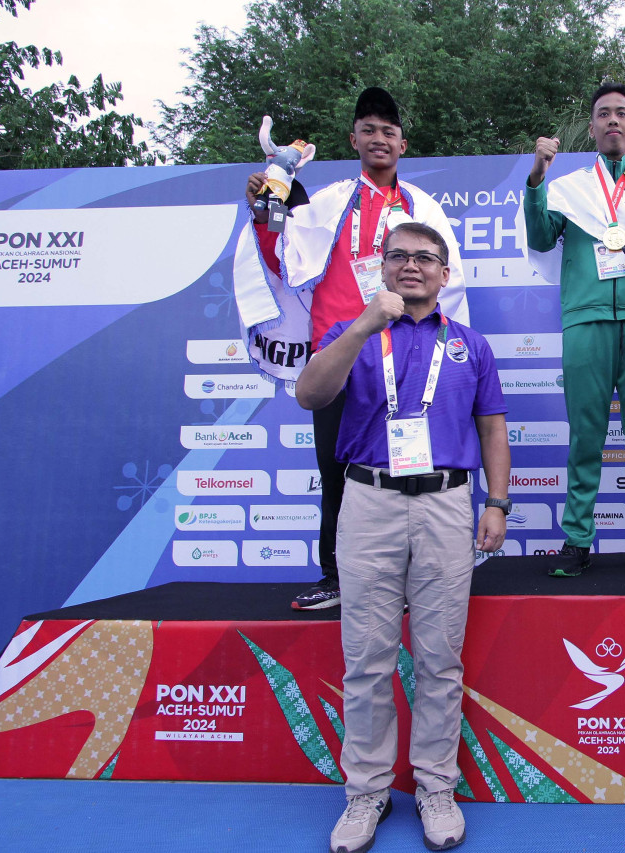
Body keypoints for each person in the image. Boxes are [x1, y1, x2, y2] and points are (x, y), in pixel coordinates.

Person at [295, 222, 510, 853]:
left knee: (440, 658)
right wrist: (365, 324)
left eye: (426, 259)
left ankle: (435, 787)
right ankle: (366, 792)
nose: (412, 267)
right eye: (399, 257)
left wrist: (496, 502)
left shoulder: (470, 345)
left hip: (447, 505)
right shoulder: (349, 334)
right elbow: (310, 393)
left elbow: (493, 430)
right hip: (368, 503)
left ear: (445, 275)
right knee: (367, 660)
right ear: (381, 269)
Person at [233, 86, 468, 611]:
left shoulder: (423, 209)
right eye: (369, 130)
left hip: (407, 358)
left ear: (403, 144)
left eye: (389, 131)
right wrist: (266, 208)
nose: (379, 139)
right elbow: (284, 260)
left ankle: (409, 582)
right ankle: (336, 578)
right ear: (353, 139)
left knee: (406, 469)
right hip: (342, 356)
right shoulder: (327, 202)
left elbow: (448, 289)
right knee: (336, 469)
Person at [523, 81, 625, 577]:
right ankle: (577, 538)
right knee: (586, 436)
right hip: (586, 319)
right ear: (592, 126)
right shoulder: (568, 188)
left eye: (622, 113)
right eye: (604, 114)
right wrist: (536, 176)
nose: (613, 121)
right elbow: (539, 236)